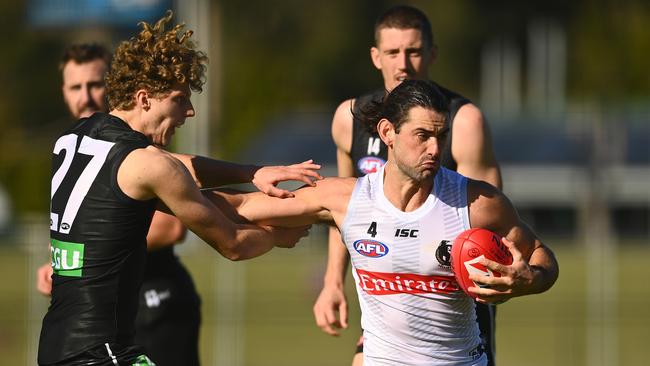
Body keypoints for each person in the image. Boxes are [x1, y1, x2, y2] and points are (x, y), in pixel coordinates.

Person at [38, 12, 321, 366]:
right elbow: (232, 244)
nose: (189, 111)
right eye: (180, 98)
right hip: (101, 354)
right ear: (144, 98)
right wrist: (277, 237)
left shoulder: (73, 139)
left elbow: (180, 166)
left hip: (55, 345)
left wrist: (253, 171)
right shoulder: (149, 165)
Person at [211, 79, 559, 366]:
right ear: (388, 132)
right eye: (422, 135)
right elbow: (242, 206)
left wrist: (529, 279)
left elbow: (542, 256)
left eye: (442, 136)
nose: (435, 149)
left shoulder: (477, 203)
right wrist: (163, 193)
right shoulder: (347, 200)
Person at [313, 5, 502, 365]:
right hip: (388, 300)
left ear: (431, 54)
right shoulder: (349, 118)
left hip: (454, 303)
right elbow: (341, 213)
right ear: (375, 57)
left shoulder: (462, 121)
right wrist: (333, 282)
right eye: (392, 52)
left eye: (413, 51)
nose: (403, 64)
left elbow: (492, 224)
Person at [34, 42, 202, 366]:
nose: (86, 96)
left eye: (95, 84)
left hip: (155, 304)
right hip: (100, 321)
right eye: (75, 87)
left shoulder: (145, 140)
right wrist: (67, 263)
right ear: (64, 92)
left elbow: (172, 226)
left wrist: (84, 258)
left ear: (116, 86)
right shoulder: (72, 144)